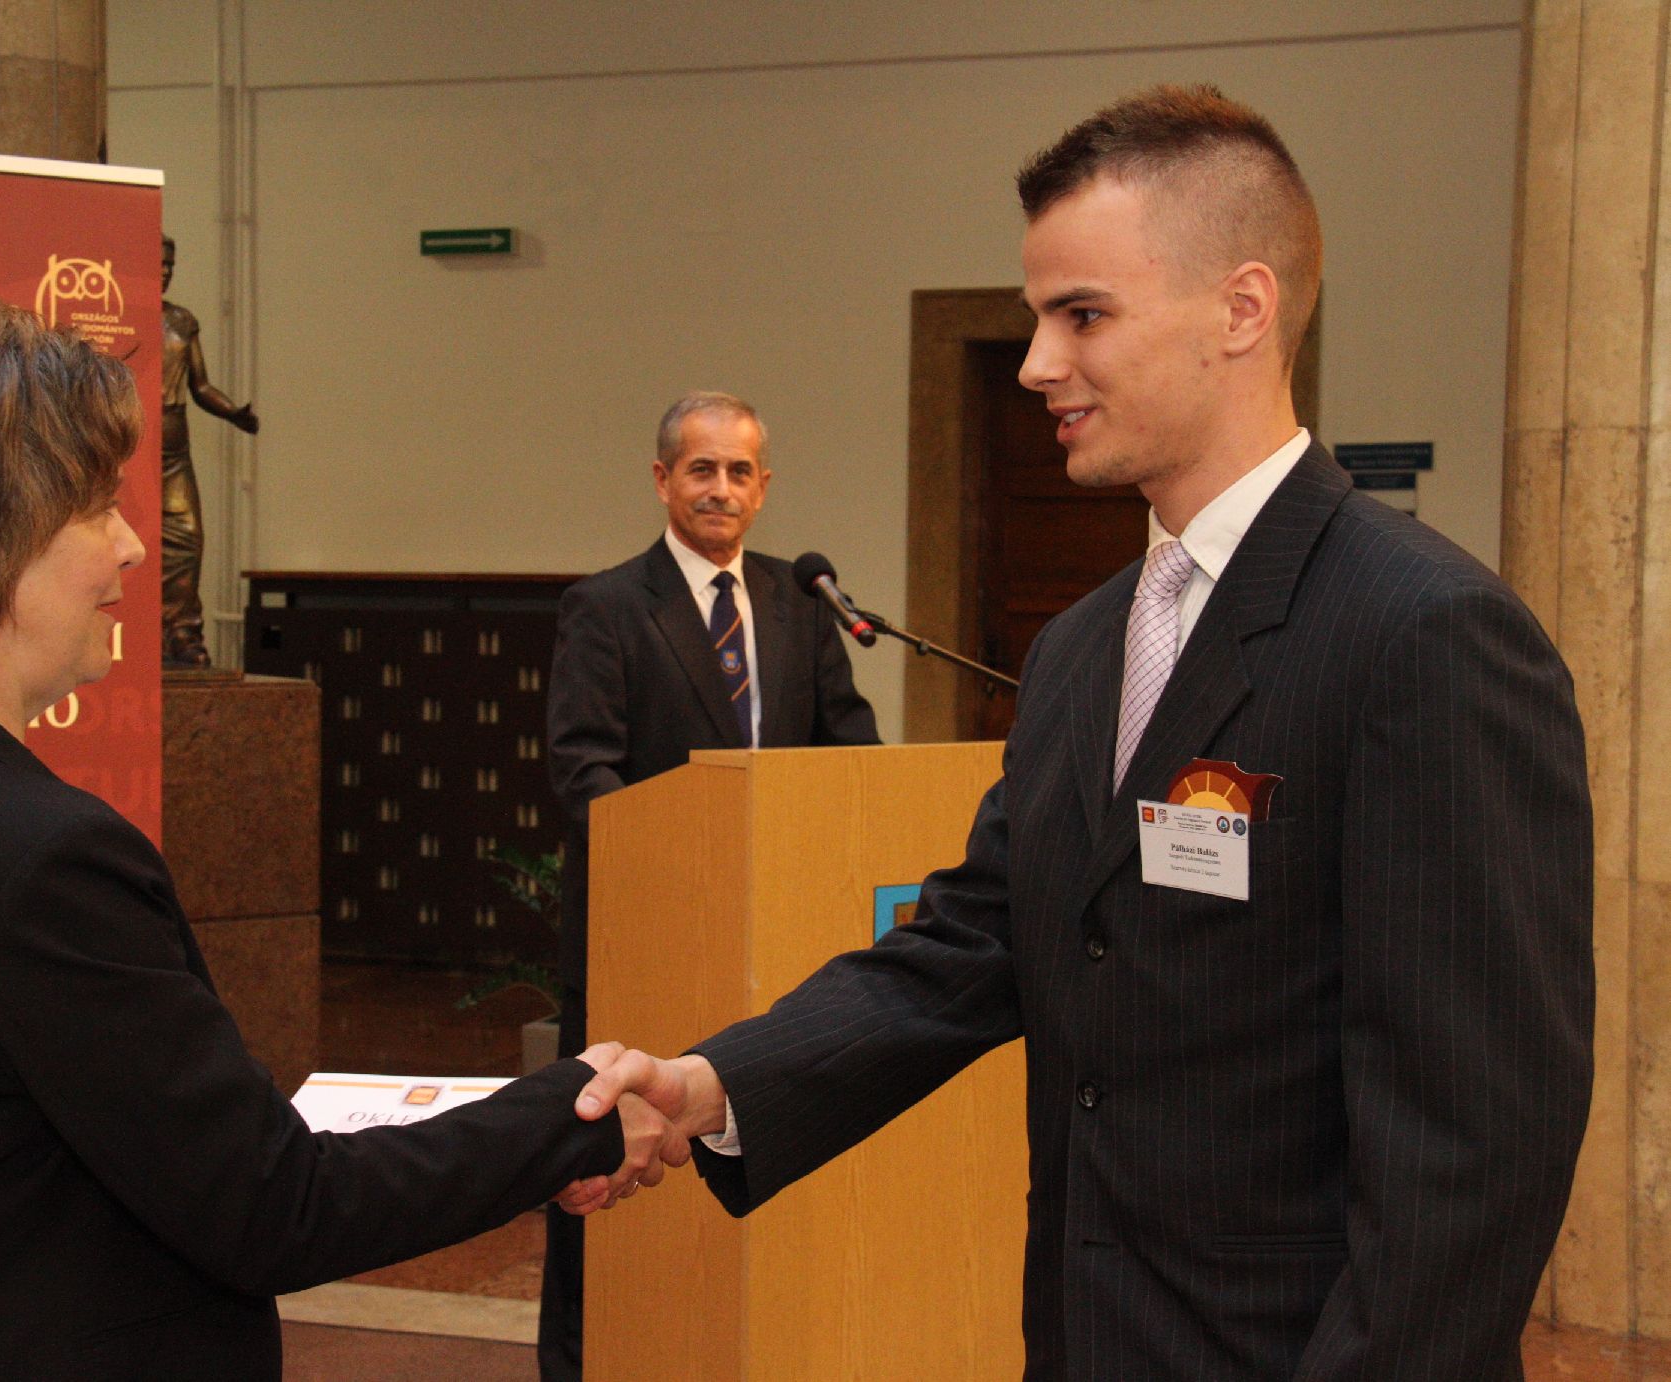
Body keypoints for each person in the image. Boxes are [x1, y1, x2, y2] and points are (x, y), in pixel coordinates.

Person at [567, 86, 1594, 1380]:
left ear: (1240, 309)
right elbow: (977, 939)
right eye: (1035, 317)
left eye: (1083, 315)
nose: (1037, 363)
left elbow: (1475, 1146)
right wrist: (713, 1083)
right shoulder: (1079, 647)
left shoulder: (1425, 633)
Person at [0, 295, 683, 1381]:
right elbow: (275, 1209)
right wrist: (568, 1113)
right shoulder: (45, 858)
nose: (133, 544)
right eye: (95, 507)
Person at [539, 390, 879, 1379]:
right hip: (646, 934)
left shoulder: (799, 604)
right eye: (701, 469)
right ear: (662, 480)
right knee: (601, 1174)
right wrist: (680, 867)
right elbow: (583, 770)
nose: (720, 488)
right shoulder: (606, 606)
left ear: (763, 486)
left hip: (780, 936)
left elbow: (849, 752)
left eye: (739, 471)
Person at [159, 234, 257, 668]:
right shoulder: (119, 316)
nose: (165, 271)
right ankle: (140, 634)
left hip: (174, 449)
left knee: (188, 540)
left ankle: (183, 633)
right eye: (158, 263)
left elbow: (200, 385)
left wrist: (233, 412)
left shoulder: (182, 321)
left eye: (171, 265)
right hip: (131, 446)